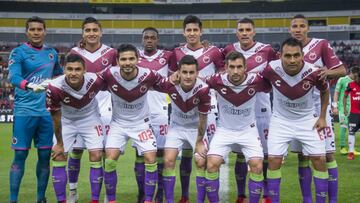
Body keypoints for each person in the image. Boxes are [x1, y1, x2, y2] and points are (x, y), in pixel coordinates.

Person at [262, 38, 330, 203]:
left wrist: (322, 117)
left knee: (320, 160)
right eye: (287, 56)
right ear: (280, 56)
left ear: (303, 55)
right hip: (280, 121)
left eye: (296, 55)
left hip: (307, 120)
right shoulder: (270, 69)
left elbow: (325, 91)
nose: (292, 60)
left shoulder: (314, 72)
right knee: (273, 160)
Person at [289, 14, 346, 203]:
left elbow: (342, 70)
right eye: (294, 26)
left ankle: (333, 200)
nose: (298, 29)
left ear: (308, 28)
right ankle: (307, 199)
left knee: (327, 154)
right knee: (303, 157)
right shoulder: (287, 48)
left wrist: (326, 72)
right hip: (298, 110)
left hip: (320, 106)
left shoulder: (320, 45)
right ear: (290, 29)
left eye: (301, 26)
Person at [8, 16, 63, 203]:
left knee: (45, 156)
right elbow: (13, 77)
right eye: (32, 29)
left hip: (46, 113)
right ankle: (13, 199)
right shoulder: (18, 53)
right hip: (24, 112)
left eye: (40, 29)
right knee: (20, 155)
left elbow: (59, 75)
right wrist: (30, 85)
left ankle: (41, 199)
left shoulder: (52, 53)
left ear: (45, 31)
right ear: (27, 32)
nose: (36, 33)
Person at [169, 15, 224, 203]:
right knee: (185, 153)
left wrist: (205, 82)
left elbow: (222, 74)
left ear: (201, 31)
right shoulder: (176, 52)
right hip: (182, 109)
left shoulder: (214, 51)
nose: (192, 33)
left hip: (208, 108)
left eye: (195, 30)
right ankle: (185, 195)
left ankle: (208, 197)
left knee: (205, 157)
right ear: (183, 32)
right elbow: (171, 75)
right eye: (188, 30)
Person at [222, 18, 277, 203]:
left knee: (266, 154)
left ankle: (267, 194)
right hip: (239, 112)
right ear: (236, 33)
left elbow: (278, 72)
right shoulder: (229, 50)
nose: (244, 33)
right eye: (241, 30)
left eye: (248, 30)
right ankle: (240, 194)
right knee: (240, 154)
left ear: (254, 32)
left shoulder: (267, 50)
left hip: (262, 109)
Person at [102, 44, 164, 203]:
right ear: (117, 61)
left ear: (137, 59)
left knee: (151, 159)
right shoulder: (109, 74)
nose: (127, 62)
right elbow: (89, 81)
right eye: (123, 59)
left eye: (131, 59)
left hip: (141, 124)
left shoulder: (149, 75)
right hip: (118, 124)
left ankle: (148, 200)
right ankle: (111, 200)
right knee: (109, 160)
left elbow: (167, 85)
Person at [205, 51, 270, 203]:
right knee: (211, 164)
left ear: (245, 68)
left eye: (239, 67)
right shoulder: (216, 80)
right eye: (232, 67)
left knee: (257, 165)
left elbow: (276, 82)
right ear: (225, 68)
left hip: (248, 130)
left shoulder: (256, 80)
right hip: (224, 130)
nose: (235, 71)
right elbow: (197, 82)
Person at [67, 17, 117, 202]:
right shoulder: (75, 52)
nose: (91, 33)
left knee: (103, 153)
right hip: (80, 109)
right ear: (82, 34)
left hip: (105, 109)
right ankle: (73, 191)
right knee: (77, 151)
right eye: (87, 30)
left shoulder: (111, 53)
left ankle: (105, 194)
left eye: (95, 30)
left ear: (101, 32)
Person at [47, 54, 105, 203]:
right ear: (64, 70)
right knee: (58, 156)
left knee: (97, 155)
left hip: (90, 119)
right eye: (70, 69)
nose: (73, 73)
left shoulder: (96, 80)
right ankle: (63, 200)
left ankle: (95, 200)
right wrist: (59, 144)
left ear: (84, 70)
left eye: (78, 69)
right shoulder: (54, 87)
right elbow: (55, 117)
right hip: (67, 121)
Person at [157, 55, 210, 203]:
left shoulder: (203, 89)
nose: (187, 76)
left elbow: (203, 119)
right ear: (178, 72)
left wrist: (199, 142)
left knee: (201, 161)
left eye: (191, 72)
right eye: (184, 72)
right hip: (176, 128)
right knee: (168, 161)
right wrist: (168, 79)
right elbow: (154, 83)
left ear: (197, 73)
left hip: (195, 129)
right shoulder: (169, 84)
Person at [134, 27, 173, 203]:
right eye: (146, 37)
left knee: (161, 154)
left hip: (161, 113)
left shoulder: (168, 56)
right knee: (141, 155)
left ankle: (160, 193)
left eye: (152, 37)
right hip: (140, 114)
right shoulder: (135, 57)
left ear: (157, 40)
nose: (149, 40)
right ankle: (142, 193)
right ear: (142, 40)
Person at [332, 66, 360, 154]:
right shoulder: (342, 80)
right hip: (343, 108)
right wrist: (335, 106)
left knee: (353, 129)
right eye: (355, 75)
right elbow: (336, 93)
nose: (356, 77)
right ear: (351, 73)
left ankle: (352, 149)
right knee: (343, 127)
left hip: (354, 110)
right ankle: (342, 147)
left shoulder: (357, 82)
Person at [343, 69, 360, 160]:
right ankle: (351, 152)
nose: (357, 80)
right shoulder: (350, 85)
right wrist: (345, 108)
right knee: (351, 132)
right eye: (356, 77)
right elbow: (345, 97)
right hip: (354, 114)